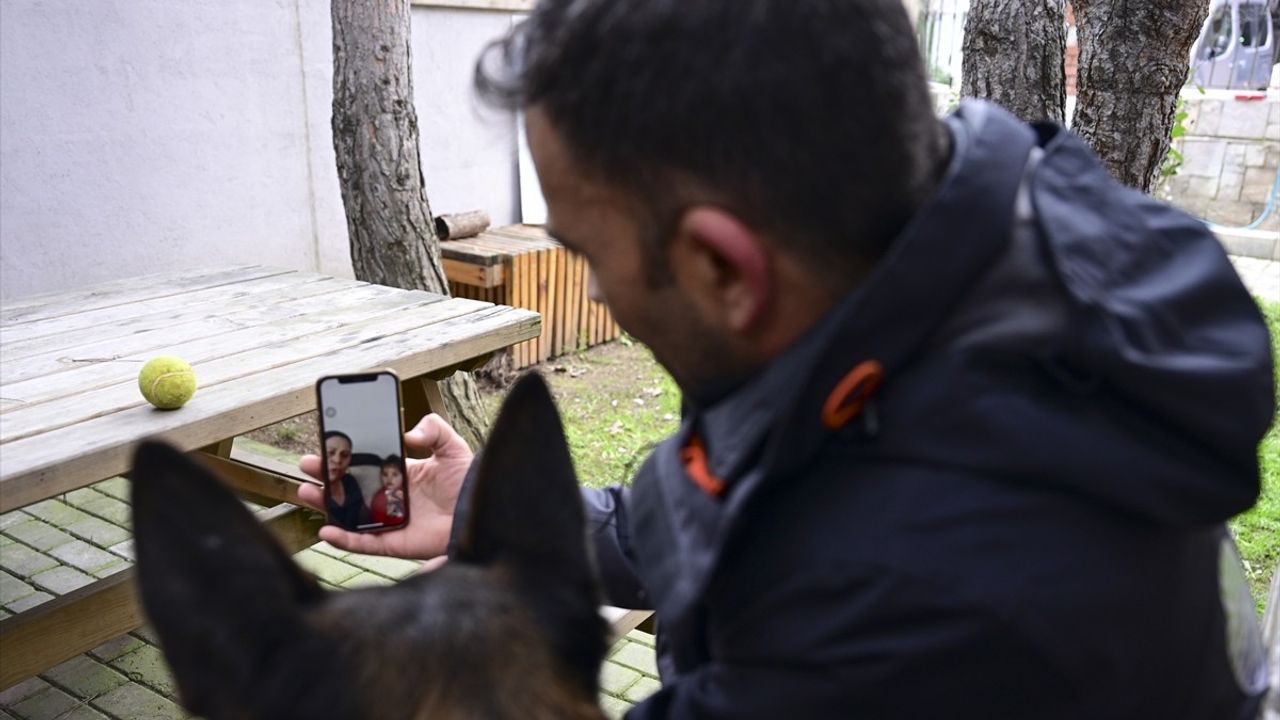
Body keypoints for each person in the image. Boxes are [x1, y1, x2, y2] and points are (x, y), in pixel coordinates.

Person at [298, 1, 1276, 717]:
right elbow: (712, 500)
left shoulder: (901, 605)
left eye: (592, 255)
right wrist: (477, 507)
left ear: (723, 267)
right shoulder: (942, 273)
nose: (595, 294)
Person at [322, 430, 367, 531]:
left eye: (345, 454)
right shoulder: (317, 491)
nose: (337, 460)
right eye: (330, 452)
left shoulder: (350, 481)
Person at [369, 455, 407, 526]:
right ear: (380, 476)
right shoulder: (379, 497)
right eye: (385, 475)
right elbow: (378, 523)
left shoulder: (407, 490)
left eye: (395, 474)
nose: (389, 479)